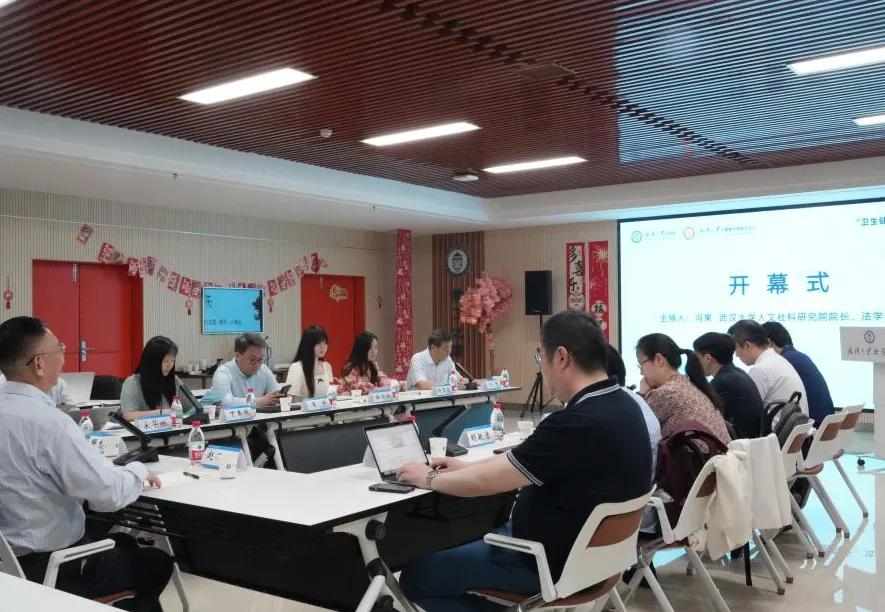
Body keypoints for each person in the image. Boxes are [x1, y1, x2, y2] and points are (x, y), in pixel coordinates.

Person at [397, 311, 652, 612]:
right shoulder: (625, 406)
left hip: (539, 562)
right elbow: (517, 462)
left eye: (540, 359)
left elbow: (488, 483)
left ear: (561, 357)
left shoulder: (574, 423)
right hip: (597, 564)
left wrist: (427, 478)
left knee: (417, 576)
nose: (541, 368)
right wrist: (466, 467)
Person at [0, 317, 171, 611]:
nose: (63, 358)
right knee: (155, 563)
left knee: (125, 544)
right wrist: (137, 470)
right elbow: (107, 496)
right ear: (39, 364)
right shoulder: (51, 423)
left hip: (9, 565)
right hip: (53, 567)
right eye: (59, 349)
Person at [636, 333, 731, 445]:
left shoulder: (665, 393)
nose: (641, 372)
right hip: (722, 454)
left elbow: (634, 427)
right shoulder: (685, 382)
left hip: (704, 457)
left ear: (659, 360)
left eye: (641, 364)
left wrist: (641, 394)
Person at [727, 320, 808, 415]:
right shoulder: (777, 360)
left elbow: (745, 411)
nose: (736, 355)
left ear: (748, 346)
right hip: (796, 423)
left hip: (778, 425)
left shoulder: (760, 370)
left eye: (736, 349)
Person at [693, 332, 764, 438]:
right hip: (752, 438)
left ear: (707, 358)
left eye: (696, 358)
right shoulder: (737, 373)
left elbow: (701, 415)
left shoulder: (722, 382)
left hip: (740, 442)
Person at [762, 321, 835, 425]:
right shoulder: (799, 356)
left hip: (813, 425)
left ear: (769, 342)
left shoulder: (785, 361)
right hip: (824, 421)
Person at [210, 333, 282, 408]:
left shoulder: (264, 370)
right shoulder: (223, 373)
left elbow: (276, 394)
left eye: (261, 359)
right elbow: (225, 403)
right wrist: (259, 402)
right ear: (237, 355)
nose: (257, 365)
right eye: (252, 360)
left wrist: (280, 397)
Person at [120, 336, 183, 420]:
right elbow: (128, 415)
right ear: (152, 361)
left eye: (173, 361)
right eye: (166, 361)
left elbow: (191, 407)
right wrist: (161, 413)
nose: (170, 365)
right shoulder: (132, 383)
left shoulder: (175, 380)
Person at [285, 325, 333, 399]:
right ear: (308, 344)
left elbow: (330, 395)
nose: (323, 347)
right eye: (318, 343)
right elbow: (293, 400)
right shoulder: (297, 368)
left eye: (325, 343)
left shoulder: (327, 366)